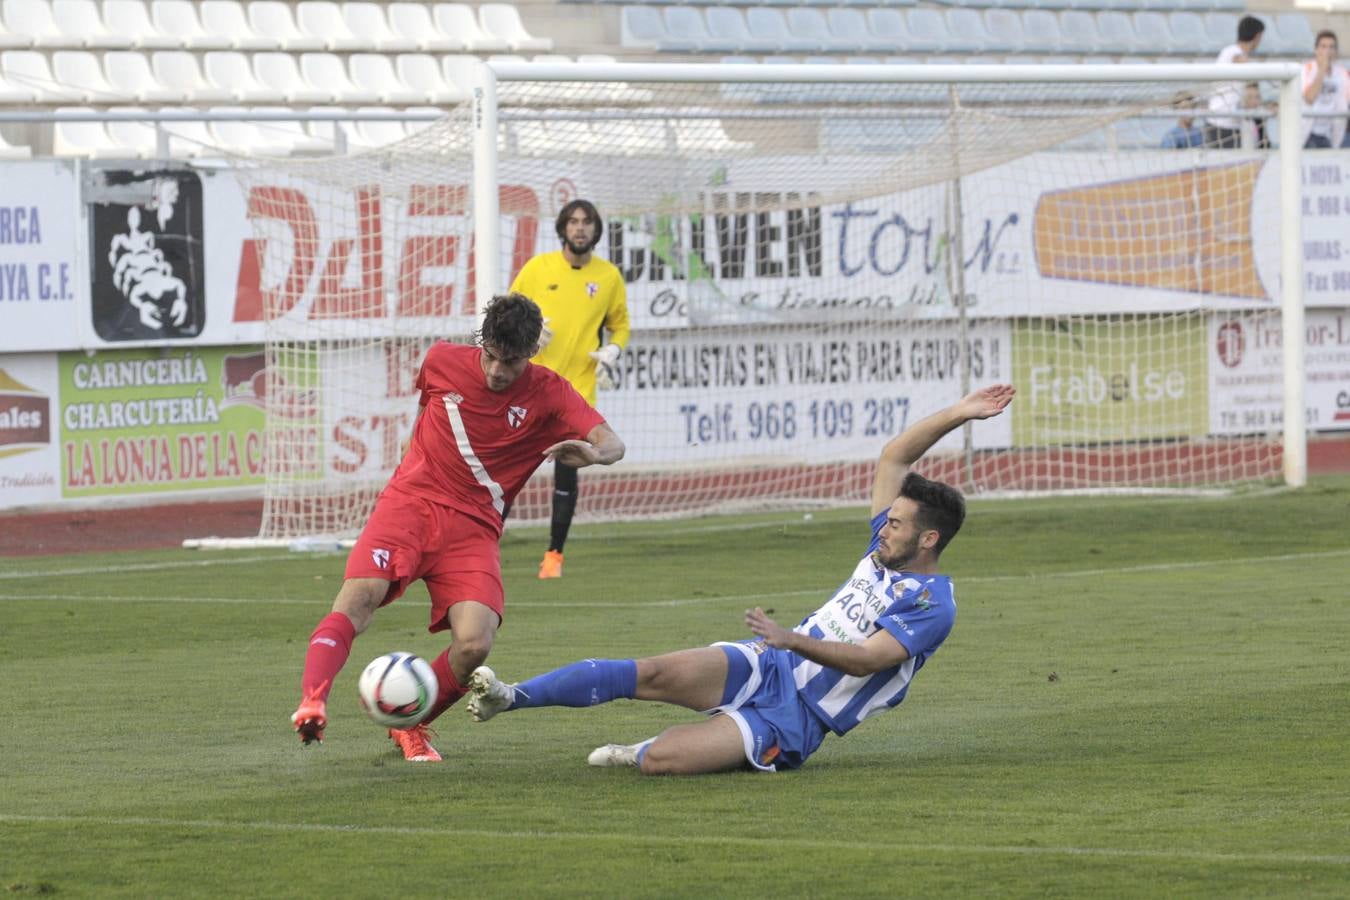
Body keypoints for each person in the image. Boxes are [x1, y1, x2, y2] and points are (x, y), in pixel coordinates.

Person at [465, 384, 1017, 775]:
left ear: (929, 541)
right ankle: (511, 697)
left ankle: (642, 750)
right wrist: (960, 413)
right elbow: (894, 456)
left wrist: (793, 637)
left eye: (895, 525)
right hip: (769, 662)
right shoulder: (885, 550)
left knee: (662, 761)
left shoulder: (932, 603)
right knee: (651, 672)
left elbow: (870, 660)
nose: (882, 530)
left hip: (796, 717)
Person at [290, 293, 626, 761]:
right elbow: (427, 410)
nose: (495, 371)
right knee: (359, 597)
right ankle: (312, 700)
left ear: (529, 354)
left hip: (473, 527)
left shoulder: (551, 392)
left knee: (474, 644)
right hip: (409, 506)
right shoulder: (441, 360)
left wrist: (592, 455)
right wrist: (416, 468)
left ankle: (411, 723)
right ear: (480, 343)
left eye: (509, 362)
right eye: (489, 355)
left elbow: (613, 444)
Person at [509, 198, 630, 580]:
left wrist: (612, 348)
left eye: (587, 222)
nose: (580, 228)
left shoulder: (608, 276)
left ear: (596, 230)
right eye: (574, 222)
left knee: (567, 470)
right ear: (563, 228)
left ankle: (553, 557)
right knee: (506, 470)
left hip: (576, 392)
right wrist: (529, 335)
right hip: (530, 388)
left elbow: (621, 325)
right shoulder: (537, 268)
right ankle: (480, 543)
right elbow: (510, 311)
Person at [1206, 15, 1265, 149]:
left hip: (1230, 121)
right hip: (1221, 123)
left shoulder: (1232, 52)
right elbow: (1239, 60)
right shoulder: (1233, 52)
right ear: (1257, 36)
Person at [1301, 31, 1350, 149]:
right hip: (1308, 133)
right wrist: (1322, 69)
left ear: (1336, 52)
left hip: (1330, 134)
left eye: (1331, 47)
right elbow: (1309, 98)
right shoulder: (1306, 69)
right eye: (1323, 46)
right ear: (1316, 50)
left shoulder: (1342, 74)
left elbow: (1346, 101)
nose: (1327, 51)